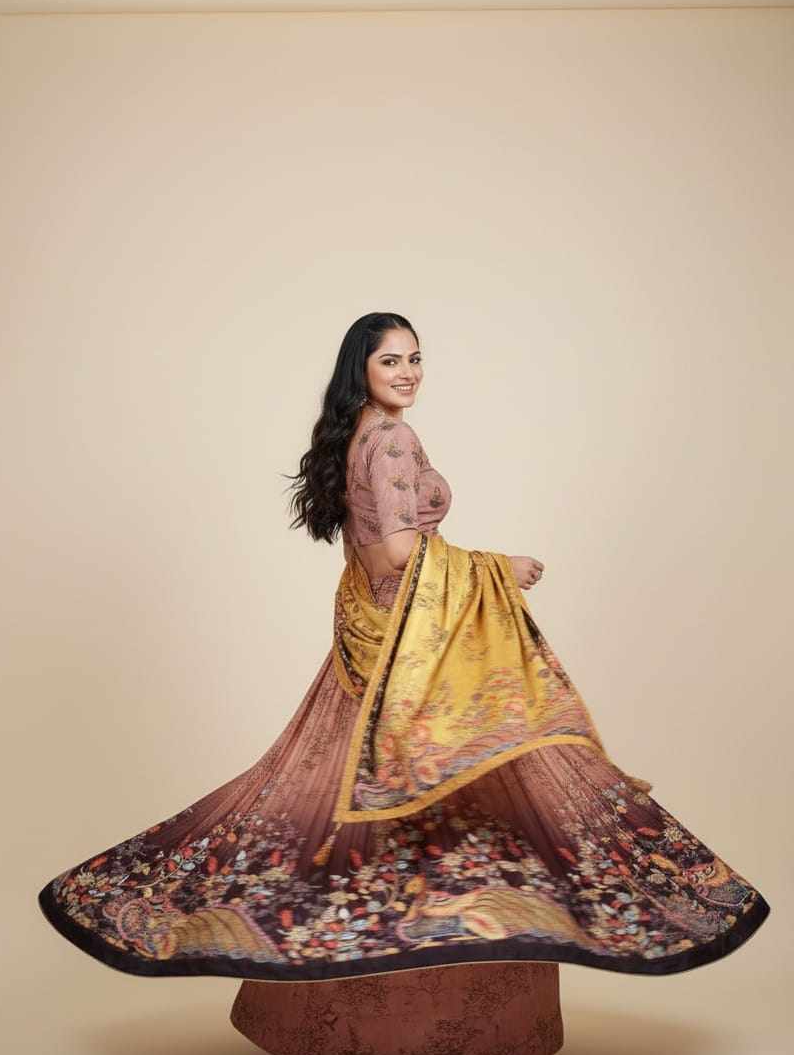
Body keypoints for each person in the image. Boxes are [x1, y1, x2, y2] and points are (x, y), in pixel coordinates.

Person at [37, 312, 770, 982]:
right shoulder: (391, 438)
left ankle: (382, 937)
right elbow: (395, 551)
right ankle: (434, 952)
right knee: (475, 761)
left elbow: (369, 549)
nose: (409, 372)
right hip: (406, 630)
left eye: (416, 358)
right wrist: (499, 568)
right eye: (392, 360)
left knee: (374, 785)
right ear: (361, 368)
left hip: (374, 621)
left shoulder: (355, 431)